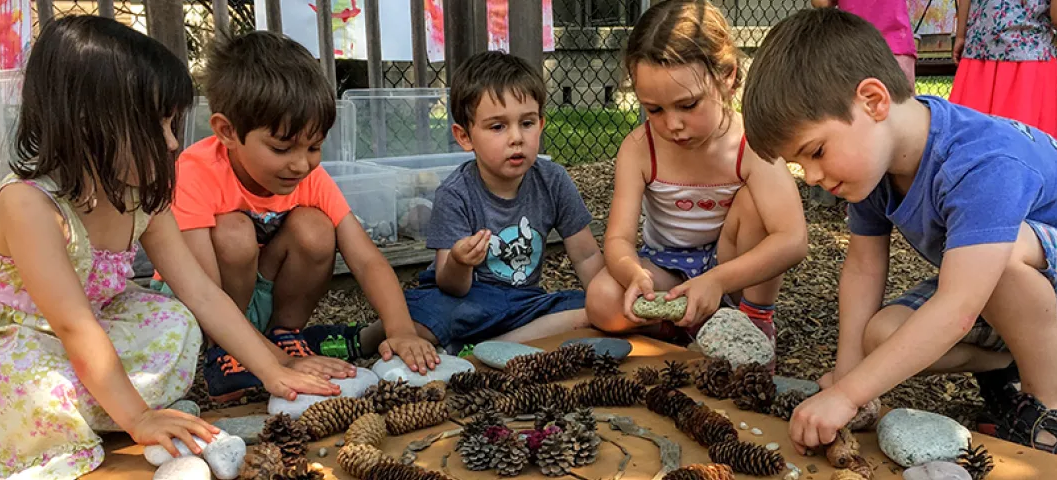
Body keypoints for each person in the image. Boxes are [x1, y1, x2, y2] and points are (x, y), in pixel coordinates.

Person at [0, 16, 349, 477]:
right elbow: (74, 326)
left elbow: (200, 293)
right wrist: (139, 418)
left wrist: (273, 367)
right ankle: (106, 412)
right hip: (9, 343)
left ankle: (100, 406)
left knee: (174, 322)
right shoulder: (28, 206)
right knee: (31, 382)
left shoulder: (140, 196)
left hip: (81, 332)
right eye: (156, 126)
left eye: (171, 124)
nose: (172, 142)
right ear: (87, 124)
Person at [742, 8, 1057, 457]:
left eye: (816, 152)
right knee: (882, 336)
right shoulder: (871, 168)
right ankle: (1014, 365)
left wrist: (847, 397)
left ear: (873, 101)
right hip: (1020, 284)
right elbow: (863, 268)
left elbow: (959, 305)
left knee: (998, 254)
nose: (810, 176)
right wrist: (849, 375)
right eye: (800, 164)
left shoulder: (978, 161)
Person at [160, 31, 439, 402]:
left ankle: (284, 334)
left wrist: (400, 328)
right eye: (281, 147)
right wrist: (279, 365)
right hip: (201, 303)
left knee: (316, 227)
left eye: (315, 146)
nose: (300, 163)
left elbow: (367, 258)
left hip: (257, 289)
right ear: (227, 132)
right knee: (234, 232)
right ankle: (224, 354)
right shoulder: (196, 172)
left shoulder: (309, 175)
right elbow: (201, 291)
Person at [585, 0, 808, 354]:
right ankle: (688, 326)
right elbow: (618, 240)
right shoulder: (641, 147)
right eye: (654, 109)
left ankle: (752, 324)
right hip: (666, 267)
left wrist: (717, 280)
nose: (672, 124)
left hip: (732, 268)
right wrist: (633, 276)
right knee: (601, 300)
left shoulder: (750, 143)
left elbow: (793, 239)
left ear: (728, 77)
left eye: (688, 105)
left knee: (756, 203)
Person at [403, 51, 604, 350]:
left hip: (525, 304)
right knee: (417, 312)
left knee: (590, 307)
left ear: (542, 123)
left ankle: (485, 346)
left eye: (527, 123)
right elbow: (450, 285)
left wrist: (607, 300)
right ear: (465, 136)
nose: (516, 138)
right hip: (468, 301)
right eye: (498, 127)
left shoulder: (553, 180)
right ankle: (362, 338)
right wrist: (459, 261)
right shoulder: (456, 193)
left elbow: (586, 257)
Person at [949, 0, 1057, 141]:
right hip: (1028, 64)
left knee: (969, 144)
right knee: (1025, 148)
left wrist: (961, 35)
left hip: (977, 58)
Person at [811, 0, 918, 85]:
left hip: (855, 42)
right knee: (903, 104)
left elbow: (821, 3)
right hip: (897, 41)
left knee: (857, 104)